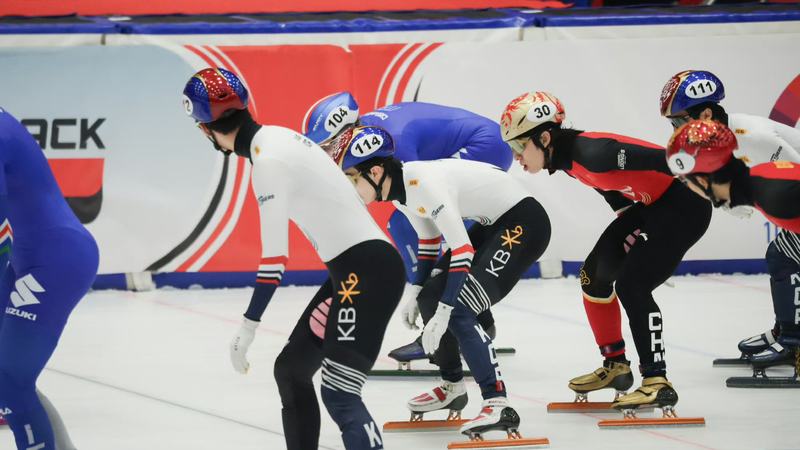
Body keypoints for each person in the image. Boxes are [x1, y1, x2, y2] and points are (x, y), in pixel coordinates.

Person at [182, 68, 405, 450]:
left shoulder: (268, 161)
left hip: (365, 272)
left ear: (205, 130)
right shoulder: (280, 137)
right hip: (356, 270)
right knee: (291, 371)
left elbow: (274, 261)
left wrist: (247, 328)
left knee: (339, 393)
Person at [327, 124, 551, 437]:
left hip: (525, 223)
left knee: (457, 307)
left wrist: (443, 313)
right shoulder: (400, 193)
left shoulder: (423, 184)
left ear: (375, 172)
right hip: (497, 222)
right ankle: (453, 386)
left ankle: (497, 402)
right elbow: (430, 242)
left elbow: (462, 250)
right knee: (431, 296)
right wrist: (416, 291)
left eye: (350, 178)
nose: (349, 188)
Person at [500, 92, 711, 413]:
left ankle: (657, 381)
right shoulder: (565, 159)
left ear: (543, 138)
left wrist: (656, 250)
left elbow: (668, 157)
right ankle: (616, 366)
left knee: (632, 285)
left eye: (518, 146)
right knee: (593, 277)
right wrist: (632, 242)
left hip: (686, 204)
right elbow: (613, 191)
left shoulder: (594, 152)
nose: (516, 157)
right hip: (651, 207)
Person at [303, 93, 514, 363]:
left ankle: (454, 325)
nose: (326, 155)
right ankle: (479, 322)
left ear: (348, 131)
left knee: (411, 225)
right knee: (409, 223)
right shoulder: (367, 137)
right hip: (482, 140)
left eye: (326, 147)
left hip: (487, 145)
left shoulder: (391, 143)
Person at [660, 70, 800, 362]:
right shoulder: (716, 142)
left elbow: (793, 177)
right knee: (780, 255)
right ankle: (788, 329)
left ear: (707, 114)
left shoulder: (754, 136)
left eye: (677, 121)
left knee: (783, 256)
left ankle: (792, 337)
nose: (674, 130)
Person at [0, 107, 99, 450]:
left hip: (55, 260)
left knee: (10, 380)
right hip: (34, 256)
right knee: (10, 378)